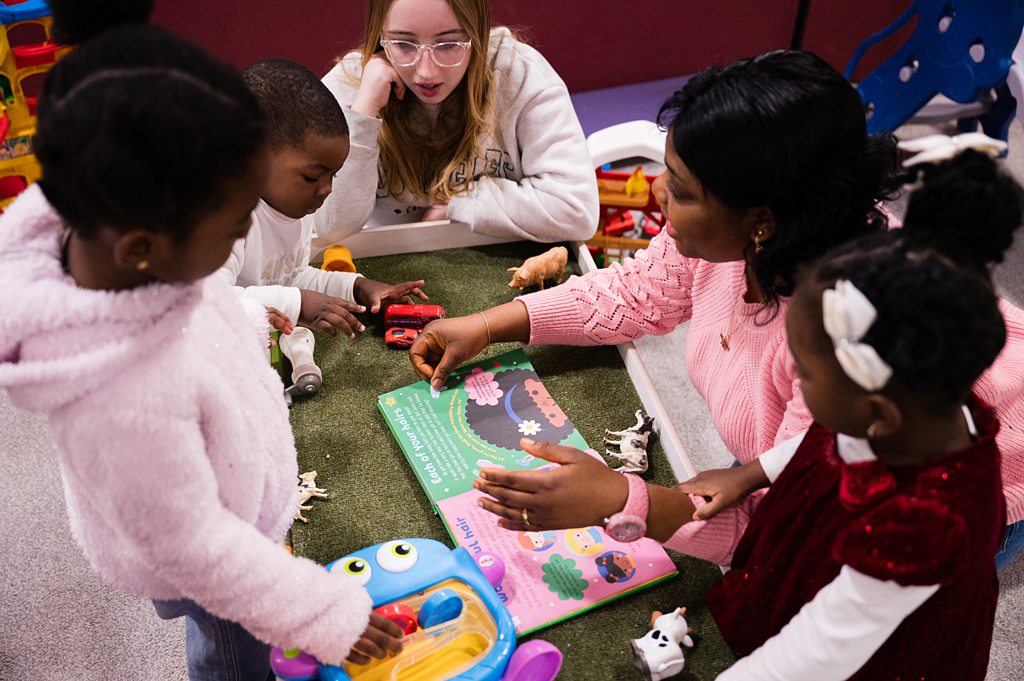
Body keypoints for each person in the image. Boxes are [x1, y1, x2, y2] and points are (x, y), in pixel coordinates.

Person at [409, 50, 1024, 568]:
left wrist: (617, 502)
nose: (655, 193)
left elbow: (777, 539)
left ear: (760, 223)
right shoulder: (749, 237)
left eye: (679, 189)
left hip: (963, 479)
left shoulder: (846, 351)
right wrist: (490, 324)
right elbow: (636, 294)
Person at [473, 150, 1017, 680]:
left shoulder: (918, 526)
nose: (789, 376)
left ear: (873, 410)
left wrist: (625, 498)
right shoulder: (891, 410)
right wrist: (755, 471)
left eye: (801, 368)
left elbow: (812, 649)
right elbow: (802, 462)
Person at [0, 23, 402, 681]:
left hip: (236, 491)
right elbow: (200, 549)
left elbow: (224, 317)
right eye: (233, 224)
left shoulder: (161, 264)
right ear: (142, 247)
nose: (246, 233)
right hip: (216, 562)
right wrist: (323, 612)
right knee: (234, 656)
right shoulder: (123, 398)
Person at [309, 0, 599, 245]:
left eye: (448, 44)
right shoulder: (350, 86)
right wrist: (364, 112)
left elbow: (576, 210)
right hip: (379, 261)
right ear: (379, 35)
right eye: (403, 44)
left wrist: (459, 204)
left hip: (489, 250)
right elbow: (329, 228)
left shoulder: (520, 74)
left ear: (477, 34)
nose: (426, 72)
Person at [223, 58, 428, 392]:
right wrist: (298, 303)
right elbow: (208, 303)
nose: (327, 189)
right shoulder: (222, 217)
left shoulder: (295, 207)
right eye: (312, 176)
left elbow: (289, 275)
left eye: (333, 174)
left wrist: (358, 287)